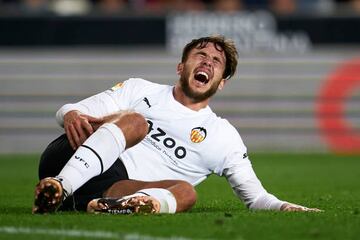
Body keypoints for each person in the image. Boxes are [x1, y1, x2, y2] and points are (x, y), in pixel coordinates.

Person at [33, 35, 321, 214]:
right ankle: (59, 186)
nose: (207, 63)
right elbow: (72, 111)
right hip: (67, 159)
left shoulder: (224, 137)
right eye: (201, 55)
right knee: (135, 121)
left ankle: (112, 209)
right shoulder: (139, 89)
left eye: (216, 62)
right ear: (181, 67)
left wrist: (287, 207)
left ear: (220, 83)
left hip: (114, 188)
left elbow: (256, 198)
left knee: (186, 192)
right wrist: (70, 114)